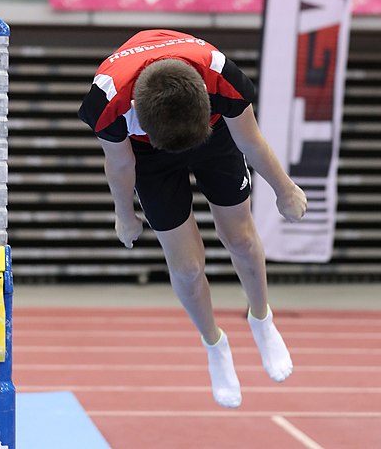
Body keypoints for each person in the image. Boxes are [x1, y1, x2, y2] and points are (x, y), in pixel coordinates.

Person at [78, 29, 307, 408]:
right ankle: (215, 344)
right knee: (186, 268)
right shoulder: (107, 100)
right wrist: (125, 214)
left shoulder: (221, 75)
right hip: (149, 156)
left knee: (241, 239)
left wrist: (284, 188)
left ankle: (262, 319)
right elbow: (120, 164)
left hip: (213, 136)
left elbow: (250, 141)